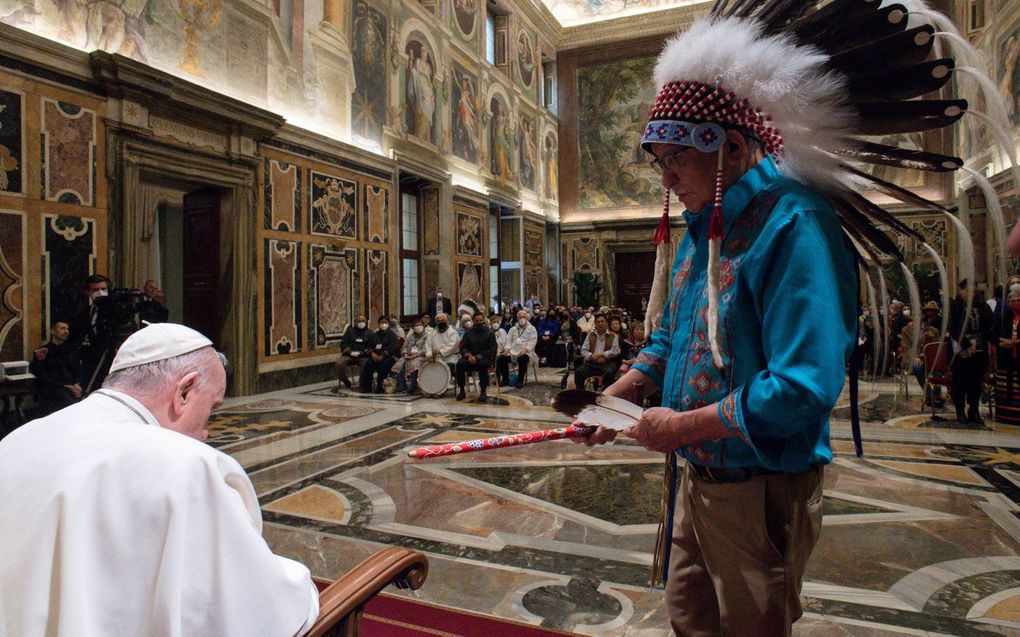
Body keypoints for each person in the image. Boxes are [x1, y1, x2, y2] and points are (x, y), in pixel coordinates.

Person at [576, 16, 861, 635]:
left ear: (731, 146)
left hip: (761, 488)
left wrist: (682, 425)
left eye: (677, 159)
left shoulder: (794, 223)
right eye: (661, 163)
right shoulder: (701, 225)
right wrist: (615, 399)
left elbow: (803, 386)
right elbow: (669, 339)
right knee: (690, 620)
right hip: (694, 477)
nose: (667, 180)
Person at [0, 323, 319, 635]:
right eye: (212, 408)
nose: (206, 432)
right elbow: (258, 611)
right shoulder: (186, 464)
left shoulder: (18, 440)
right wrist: (301, 589)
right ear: (184, 391)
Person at [949, 279, 994, 424]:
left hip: (979, 348)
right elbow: (953, 328)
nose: (972, 295)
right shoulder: (955, 306)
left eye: (974, 292)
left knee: (976, 380)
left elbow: (987, 327)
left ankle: (973, 410)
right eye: (969, 291)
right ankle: (960, 410)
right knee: (960, 380)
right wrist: (967, 345)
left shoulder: (982, 306)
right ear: (961, 291)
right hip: (961, 348)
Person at [29, 320, 82, 414]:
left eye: (67, 329)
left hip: (71, 386)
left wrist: (77, 384)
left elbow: (77, 371)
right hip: (53, 388)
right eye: (62, 328)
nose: (66, 331)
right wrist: (66, 386)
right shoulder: (43, 351)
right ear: (52, 331)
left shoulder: (72, 350)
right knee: (69, 403)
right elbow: (43, 377)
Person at [455, 311, 496, 402]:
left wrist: (478, 357)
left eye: (480, 320)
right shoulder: (468, 333)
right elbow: (464, 347)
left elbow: (492, 350)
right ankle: (462, 391)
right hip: (470, 358)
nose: (479, 323)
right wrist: (469, 355)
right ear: (473, 321)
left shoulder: (490, 333)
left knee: (483, 364)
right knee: (460, 364)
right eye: (476, 321)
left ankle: (483, 392)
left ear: (483, 320)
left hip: (483, 358)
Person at [573, 314, 620, 391]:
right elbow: (583, 350)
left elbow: (615, 352)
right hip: (592, 362)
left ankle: (606, 395)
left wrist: (603, 355)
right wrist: (592, 357)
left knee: (609, 373)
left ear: (606, 323)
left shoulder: (613, 336)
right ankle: (581, 394)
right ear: (595, 324)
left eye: (602, 321)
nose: (600, 324)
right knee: (579, 372)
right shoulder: (590, 335)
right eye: (598, 322)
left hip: (607, 362)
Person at [498, 310, 537, 388]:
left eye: (524, 317)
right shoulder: (513, 329)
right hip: (513, 351)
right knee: (502, 358)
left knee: (522, 358)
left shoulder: (532, 328)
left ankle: (520, 380)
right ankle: (505, 379)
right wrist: (506, 349)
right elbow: (508, 341)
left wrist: (525, 350)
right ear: (517, 318)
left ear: (527, 318)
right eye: (520, 317)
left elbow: (533, 341)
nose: (522, 318)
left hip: (526, 352)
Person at [360, 316, 399, 393]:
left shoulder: (392, 335)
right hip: (376, 356)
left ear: (388, 324)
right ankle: (367, 387)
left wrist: (383, 355)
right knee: (368, 364)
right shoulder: (375, 334)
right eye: (382, 323)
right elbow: (369, 346)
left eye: (385, 323)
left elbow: (392, 348)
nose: (383, 324)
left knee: (383, 365)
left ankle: (380, 387)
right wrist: (372, 353)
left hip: (389, 356)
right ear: (379, 324)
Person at [337, 314, 374, 389]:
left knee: (366, 365)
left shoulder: (370, 333)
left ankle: (362, 384)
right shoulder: (350, 331)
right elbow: (343, 343)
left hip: (363, 356)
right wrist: (349, 352)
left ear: (366, 322)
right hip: (349, 355)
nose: (361, 323)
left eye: (363, 321)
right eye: (359, 321)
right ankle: (346, 382)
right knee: (339, 364)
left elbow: (371, 346)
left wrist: (363, 353)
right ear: (355, 322)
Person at [395, 319, 429, 394]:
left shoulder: (427, 335)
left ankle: (414, 386)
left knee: (414, 362)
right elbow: (404, 347)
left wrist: (416, 355)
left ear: (423, 326)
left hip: (422, 356)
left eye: (419, 325)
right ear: (413, 328)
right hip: (409, 356)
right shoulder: (410, 336)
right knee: (400, 362)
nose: (418, 327)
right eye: (415, 325)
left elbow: (426, 349)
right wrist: (405, 354)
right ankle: (402, 386)